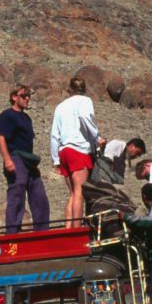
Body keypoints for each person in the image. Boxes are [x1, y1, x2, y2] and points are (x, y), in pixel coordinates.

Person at [0, 84, 50, 233]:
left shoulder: (26, 117)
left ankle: (42, 232)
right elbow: (1, 138)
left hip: (29, 161)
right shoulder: (7, 115)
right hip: (16, 157)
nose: (27, 98)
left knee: (39, 195)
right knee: (17, 193)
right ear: (14, 97)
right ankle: (12, 235)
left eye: (29, 96)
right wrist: (7, 160)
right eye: (24, 96)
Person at [50, 76, 101, 226]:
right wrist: (97, 137)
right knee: (80, 192)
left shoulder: (60, 106)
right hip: (78, 149)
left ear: (69, 89)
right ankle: (76, 230)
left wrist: (56, 159)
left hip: (63, 151)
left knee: (72, 193)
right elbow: (85, 117)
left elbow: (54, 134)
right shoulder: (85, 101)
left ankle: (68, 229)